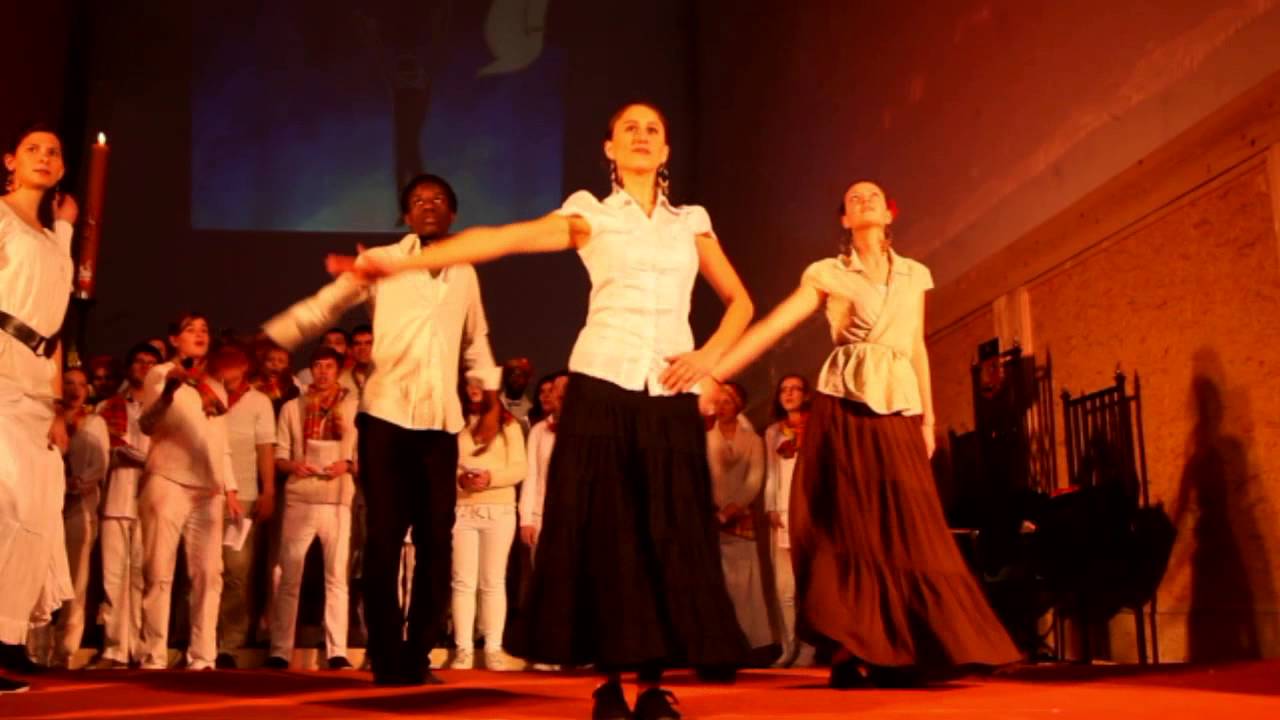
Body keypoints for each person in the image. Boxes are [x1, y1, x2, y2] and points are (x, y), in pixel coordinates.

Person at [334, 102, 754, 719]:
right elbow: (502, 240)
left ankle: (654, 683)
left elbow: (739, 300)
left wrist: (708, 358)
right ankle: (610, 681)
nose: (642, 136)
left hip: (668, 394)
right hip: (602, 384)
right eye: (629, 129)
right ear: (609, 149)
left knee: (669, 537)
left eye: (654, 130)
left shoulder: (691, 220)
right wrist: (404, 260)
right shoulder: (590, 213)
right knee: (609, 539)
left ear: (665, 152)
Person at [707, 180, 1020, 687]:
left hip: (898, 405)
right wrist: (716, 371)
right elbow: (777, 323)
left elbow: (916, 345)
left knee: (907, 525)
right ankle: (855, 649)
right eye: (853, 199)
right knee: (850, 526)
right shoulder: (827, 273)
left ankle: (915, 644)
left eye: (872, 195)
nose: (863, 201)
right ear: (844, 221)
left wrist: (929, 416)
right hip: (845, 406)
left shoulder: (915, 273)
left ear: (888, 213)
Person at [265, 172, 503, 686]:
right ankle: (386, 654)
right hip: (386, 420)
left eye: (439, 199)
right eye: (418, 201)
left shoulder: (464, 272)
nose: (428, 206)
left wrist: (489, 395)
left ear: (454, 213)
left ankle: (419, 655)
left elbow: (476, 338)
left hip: (441, 424)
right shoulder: (384, 261)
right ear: (406, 215)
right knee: (384, 539)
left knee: (438, 543)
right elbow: (326, 305)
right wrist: (270, 337)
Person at [0, 123, 78, 693]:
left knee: (38, 514)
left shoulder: (54, 238)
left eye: (53, 152)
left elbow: (55, 325)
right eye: (33, 149)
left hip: (36, 380)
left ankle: (10, 637)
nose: (44, 157)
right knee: (9, 504)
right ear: (11, 161)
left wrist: (56, 405)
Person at [137, 312, 245, 671]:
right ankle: (153, 653)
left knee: (210, 573)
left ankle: (203, 656)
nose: (199, 334)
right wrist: (169, 390)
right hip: (168, 480)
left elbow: (220, 442)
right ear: (173, 340)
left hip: (209, 488)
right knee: (159, 570)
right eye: (190, 329)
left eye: (204, 329)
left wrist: (230, 488)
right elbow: (147, 424)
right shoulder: (160, 374)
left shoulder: (214, 382)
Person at [268, 347, 358, 670]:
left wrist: (346, 465)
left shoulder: (352, 408)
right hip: (301, 496)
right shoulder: (293, 407)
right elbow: (279, 457)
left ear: (337, 371)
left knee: (336, 577)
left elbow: (359, 456)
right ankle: (280, 650)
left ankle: (337, 650)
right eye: (317, 366)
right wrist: (295, 465)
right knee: (289, 573)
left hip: (336, 499)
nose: (322, 373)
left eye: (328, 367)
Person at [91, 342, 162, 669]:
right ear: (130, 367)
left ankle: (141, 648)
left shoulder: (165, 409)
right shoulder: (108, 406)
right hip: (116, 498)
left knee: (144, 578)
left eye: (151, 363)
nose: (144, 367)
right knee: (113, 578)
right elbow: (96, 451)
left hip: (152, 500)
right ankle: (115, 648)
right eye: (139, 362)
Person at [450, 378, 525, 671]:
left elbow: (520, 467)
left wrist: (490, 478)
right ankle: (463, 649)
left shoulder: (509, 425)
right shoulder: (455, 422)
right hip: (463, 507)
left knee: (493, 581)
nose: (474, 388)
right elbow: (448, 464)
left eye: (480, 383)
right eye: (470, 383)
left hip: (500, 507)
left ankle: (493, 647)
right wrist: (461, 479)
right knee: (463, 581)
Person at [211, 344, 277, 668]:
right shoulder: (207, 397)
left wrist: (268, 490)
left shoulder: (258, 402)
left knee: (237, 571)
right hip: (209, 494)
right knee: (206, 570)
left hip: (245, 493)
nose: (225, 372)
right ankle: (200, 637)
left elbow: (265, 448)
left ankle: (231, 643)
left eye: (231, 366)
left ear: (242, 369)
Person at [42, 368, 109, 668]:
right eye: (69, 383)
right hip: (46, 505)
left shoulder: (94, 422)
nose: (76, 389)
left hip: (78, 505)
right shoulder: (45, 419)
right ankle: (34, 647)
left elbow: (100, 465)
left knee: (75, 580)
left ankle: (65, 649)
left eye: (82, 384)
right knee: (41, 577)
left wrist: (78, 484)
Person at [706, 382, 772, 654]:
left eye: (728, 401)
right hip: (709, 516)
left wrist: (733, 508)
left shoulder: (754, 440)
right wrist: (714, 509)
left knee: (746, 582)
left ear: (739, 406)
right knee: (716, 581)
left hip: (740, 516)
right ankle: (716, 643)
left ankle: (752, 643)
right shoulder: (704, 436)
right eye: (718, 401)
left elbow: (754, 480)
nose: (722, 407)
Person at [762, 374, 816, 667]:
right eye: (784, 389)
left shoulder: (817, 427)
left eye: (795, 388)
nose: (789, 394)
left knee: (808, 584)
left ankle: (808, 648)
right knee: (785, 587)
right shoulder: (773, 432)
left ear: (806, 394)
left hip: (807, 513)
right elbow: (771, 472)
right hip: (781, 513)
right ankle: (788, 646)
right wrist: (770, 505)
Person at [499, 358, 534, 431]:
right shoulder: (493, 405)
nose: (516, 379)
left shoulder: (532, 411)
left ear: (528, 380)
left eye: (521, 376)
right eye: (512, 374)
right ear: (504, 377)